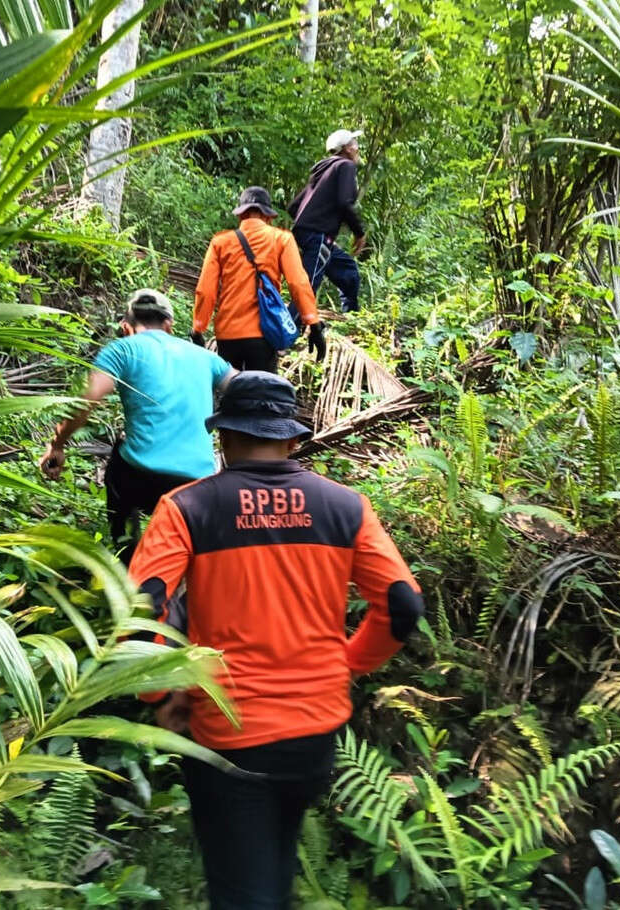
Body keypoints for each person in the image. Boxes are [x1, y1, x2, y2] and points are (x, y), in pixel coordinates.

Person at [128, 371, 424, 910]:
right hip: (314, 736)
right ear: (291, 438)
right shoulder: (345, 506)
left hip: (228, 738)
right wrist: (347, 665)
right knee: (273, 873)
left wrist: (160, 695)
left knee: (244, 893)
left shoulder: (187, 508)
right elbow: (403, 605)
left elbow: (140, 610)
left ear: (224, 436)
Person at [40, 289, 235, 563]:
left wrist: (57, 445)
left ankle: (127, 555)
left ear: (125, 327)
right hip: (197, 481)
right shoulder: (204, 357)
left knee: (118, 468)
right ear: (169, 325)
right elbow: (244, 388)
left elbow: (89, 399)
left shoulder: (122, 349)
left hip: (142, 477)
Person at [193, 186, 326, 374]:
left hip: (227, 335)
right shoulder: (282, 239)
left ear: (241, 215)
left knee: (230, 395)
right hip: (264, 335)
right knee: (263, 396)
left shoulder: (220, 242)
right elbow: (298, 283)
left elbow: (206, 290)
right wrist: (314, 324)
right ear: (268, 216)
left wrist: (198, 327)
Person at [288, 128, 367, 313]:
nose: (357, 148)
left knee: (349, 272)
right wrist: (359, 233)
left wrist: (316, 231)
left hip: (312, 234)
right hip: (317, 235)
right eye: (355, 144)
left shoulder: (322, 171)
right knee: (308, 287)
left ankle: (351, 318)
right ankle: (288, 333)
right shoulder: (345, 166)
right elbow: (344, 202)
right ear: (347, 149)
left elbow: (294, 207)